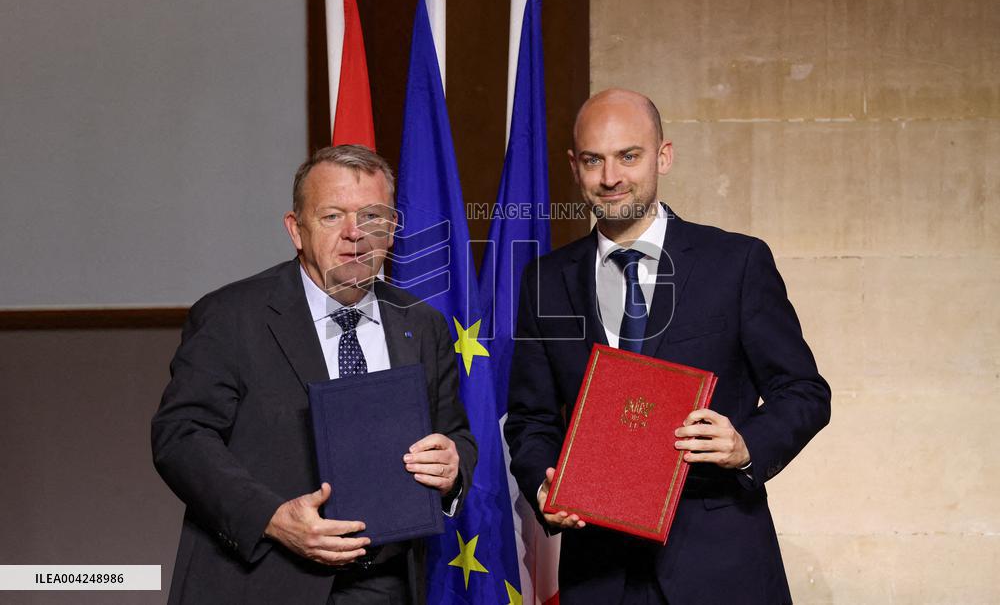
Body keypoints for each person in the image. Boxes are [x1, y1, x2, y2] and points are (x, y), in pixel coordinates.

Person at [504, 89, 831, 604]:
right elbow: (531, 418)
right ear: (574, 166)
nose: (610, 177)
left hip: (722, 566)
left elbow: (805, 391)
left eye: (628, 156)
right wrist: (542, 485)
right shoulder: (545, 281)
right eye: (593, 160)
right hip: (599, 572)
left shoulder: (737, 262)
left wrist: (746, 445)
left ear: (663, 156)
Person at [152, 144, 477, 604]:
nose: (354, 234)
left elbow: (455, 434)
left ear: (391, 231)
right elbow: (181, 437)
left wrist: (452, 466)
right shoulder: (231, 316)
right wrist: (272, 518)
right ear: (296, 230)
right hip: (263, 582)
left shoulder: (422, 325)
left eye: (372, 217)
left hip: (387, 586)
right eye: (332, 216)